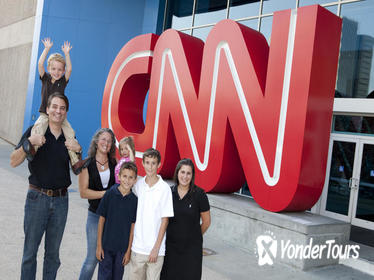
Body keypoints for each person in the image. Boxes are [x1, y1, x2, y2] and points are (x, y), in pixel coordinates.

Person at [10, 93, 82, 280]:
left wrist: (78, 150)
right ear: (48, 109)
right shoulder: (35, 131)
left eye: (62, 108)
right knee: (30, 254)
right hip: (37, 199)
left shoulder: (70, 137)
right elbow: (13, 161)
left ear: (66, 112)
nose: (58, 111)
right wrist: (29, 143)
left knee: (53, 256)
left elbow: (77, 170)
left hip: (61, 201)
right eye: (55, 107)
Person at [31, 37, 81, 173]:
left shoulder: (62, 82)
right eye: (53, 69)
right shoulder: (45, 79)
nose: (56, 72)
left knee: (70, 133)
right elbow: (40, 64)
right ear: (49, 69)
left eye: (60, 69)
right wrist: (47, 49)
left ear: (63, 71)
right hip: (44, 113)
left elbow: (70, 69)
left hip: (60, 116)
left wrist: (67, 54)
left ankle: (75, 162)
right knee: (37, 130)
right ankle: (32, 152)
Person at [161, 158, 211, 280]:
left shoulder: (200, 194)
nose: (185, 176)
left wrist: (194, 236)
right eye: (182, 172)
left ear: (192, 175)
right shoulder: (169, 192)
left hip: (191, 250)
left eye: (188, 173)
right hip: (171, 248)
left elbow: (206, 222)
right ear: (177, 173)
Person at [128, 148, 174, 280]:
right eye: (147, 162)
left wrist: (156, 248)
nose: (150, 166)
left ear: (159, 164)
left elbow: (165, 220)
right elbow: (127, 174)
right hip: (138, 248)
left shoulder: (164, 189)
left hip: (155, 251)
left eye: (154, 163)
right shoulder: (139, 185)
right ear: (142, 163)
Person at [78, 128, 117, 280]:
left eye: (109, 141)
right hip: (95, 215)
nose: (106, 143)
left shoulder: (114, 164)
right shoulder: (86, 164)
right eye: (103, 139)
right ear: (96, 141)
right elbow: (83, 192)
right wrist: (104, 194)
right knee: (93, 257)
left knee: (107, 258)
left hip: (112, 218)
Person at [96, 162, 138, 280]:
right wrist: (99, 246)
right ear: (119, 176)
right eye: (124, 176)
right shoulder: (110, 194)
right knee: (104, 277)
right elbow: (101, 220)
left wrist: (128, 251)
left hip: (122, 250)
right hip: (106, 247)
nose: (127, 180)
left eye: (131, 177)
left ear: (135, 180)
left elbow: (132, 227)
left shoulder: (134, 201)